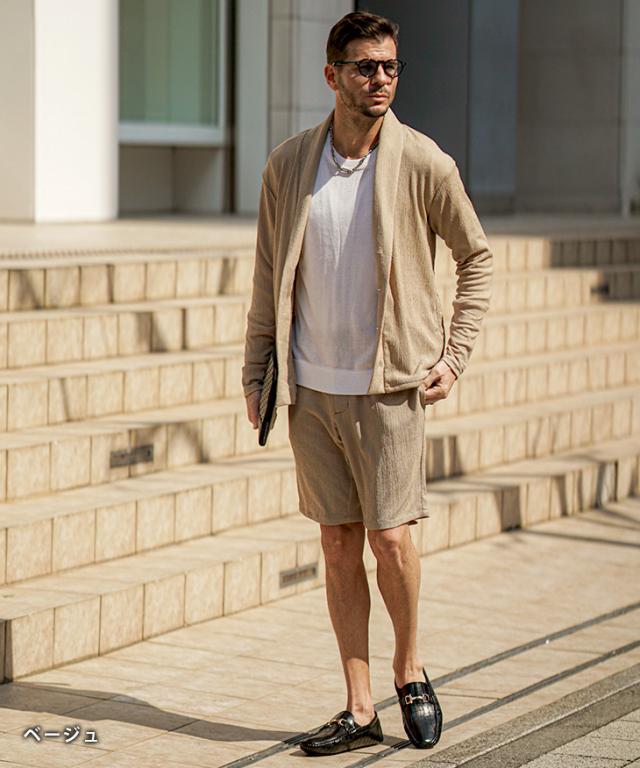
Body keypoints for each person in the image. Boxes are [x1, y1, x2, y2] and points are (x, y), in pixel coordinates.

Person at [242, 10, 492, 757]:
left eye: (390, 67)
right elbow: (267, 274)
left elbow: (476, 258)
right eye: (365, 67)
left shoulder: (424, 162)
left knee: (391, 540)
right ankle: (359, 706)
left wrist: (454, 355)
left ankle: (409, 670)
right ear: (332, 75)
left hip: (390, 386)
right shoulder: (290, 164)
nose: (381, 79)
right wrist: (258, 367)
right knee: (338, 543)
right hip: (311, 387)